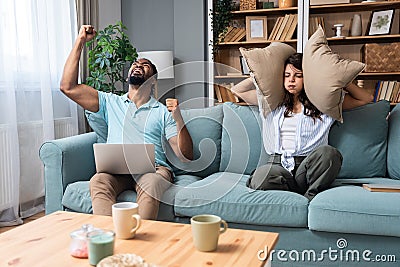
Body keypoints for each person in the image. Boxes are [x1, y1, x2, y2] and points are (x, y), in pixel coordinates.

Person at [60, 25, 193, 219]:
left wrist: (179, 119)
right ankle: (106, 238)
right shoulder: (109, 102)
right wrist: (80, 41)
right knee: (98, 181)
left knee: (153, 183)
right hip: (116, 170)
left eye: (145, 65)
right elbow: (67, 87)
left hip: (153, 170)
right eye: (135, 64)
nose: (137, 65)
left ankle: (139, 241)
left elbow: (185, 155)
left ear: (154, 80)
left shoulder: (163, 112)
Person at [232, 53, 373, 200]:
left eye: (298, 75)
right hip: (278, 165)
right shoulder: (272, 103)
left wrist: (340, 79)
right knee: (262, 177)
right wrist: (261, 74)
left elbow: (366, 98)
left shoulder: (325, 105)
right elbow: (237, 90)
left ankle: (309, 197)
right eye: (287, 75)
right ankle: (295, 194)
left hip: (308, 166)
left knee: (329, 154)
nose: (291, 80)